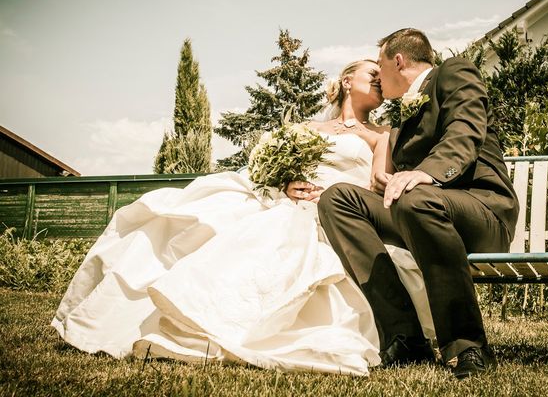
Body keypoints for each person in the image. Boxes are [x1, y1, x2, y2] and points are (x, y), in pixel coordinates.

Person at [52, 59, 434, 377]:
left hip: (341, 211)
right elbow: (278, 168)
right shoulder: (307, 128)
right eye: (372, 74)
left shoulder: (382, 134)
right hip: (296, 201)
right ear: (347, 80)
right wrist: (287, 185)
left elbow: (374, 184)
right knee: (238, 233)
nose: (380, 82)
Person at [318, 28, 519, 379]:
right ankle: (404, 334)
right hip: (422, 209)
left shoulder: (454, 73)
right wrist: (389, 180)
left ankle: (465, 344)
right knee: (338, 198)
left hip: (481, 210)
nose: (378, 75)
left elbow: (465, 131)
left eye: (379, 64)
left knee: (415, 198)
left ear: (397, 60)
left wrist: (423, 174)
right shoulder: (403, 116)